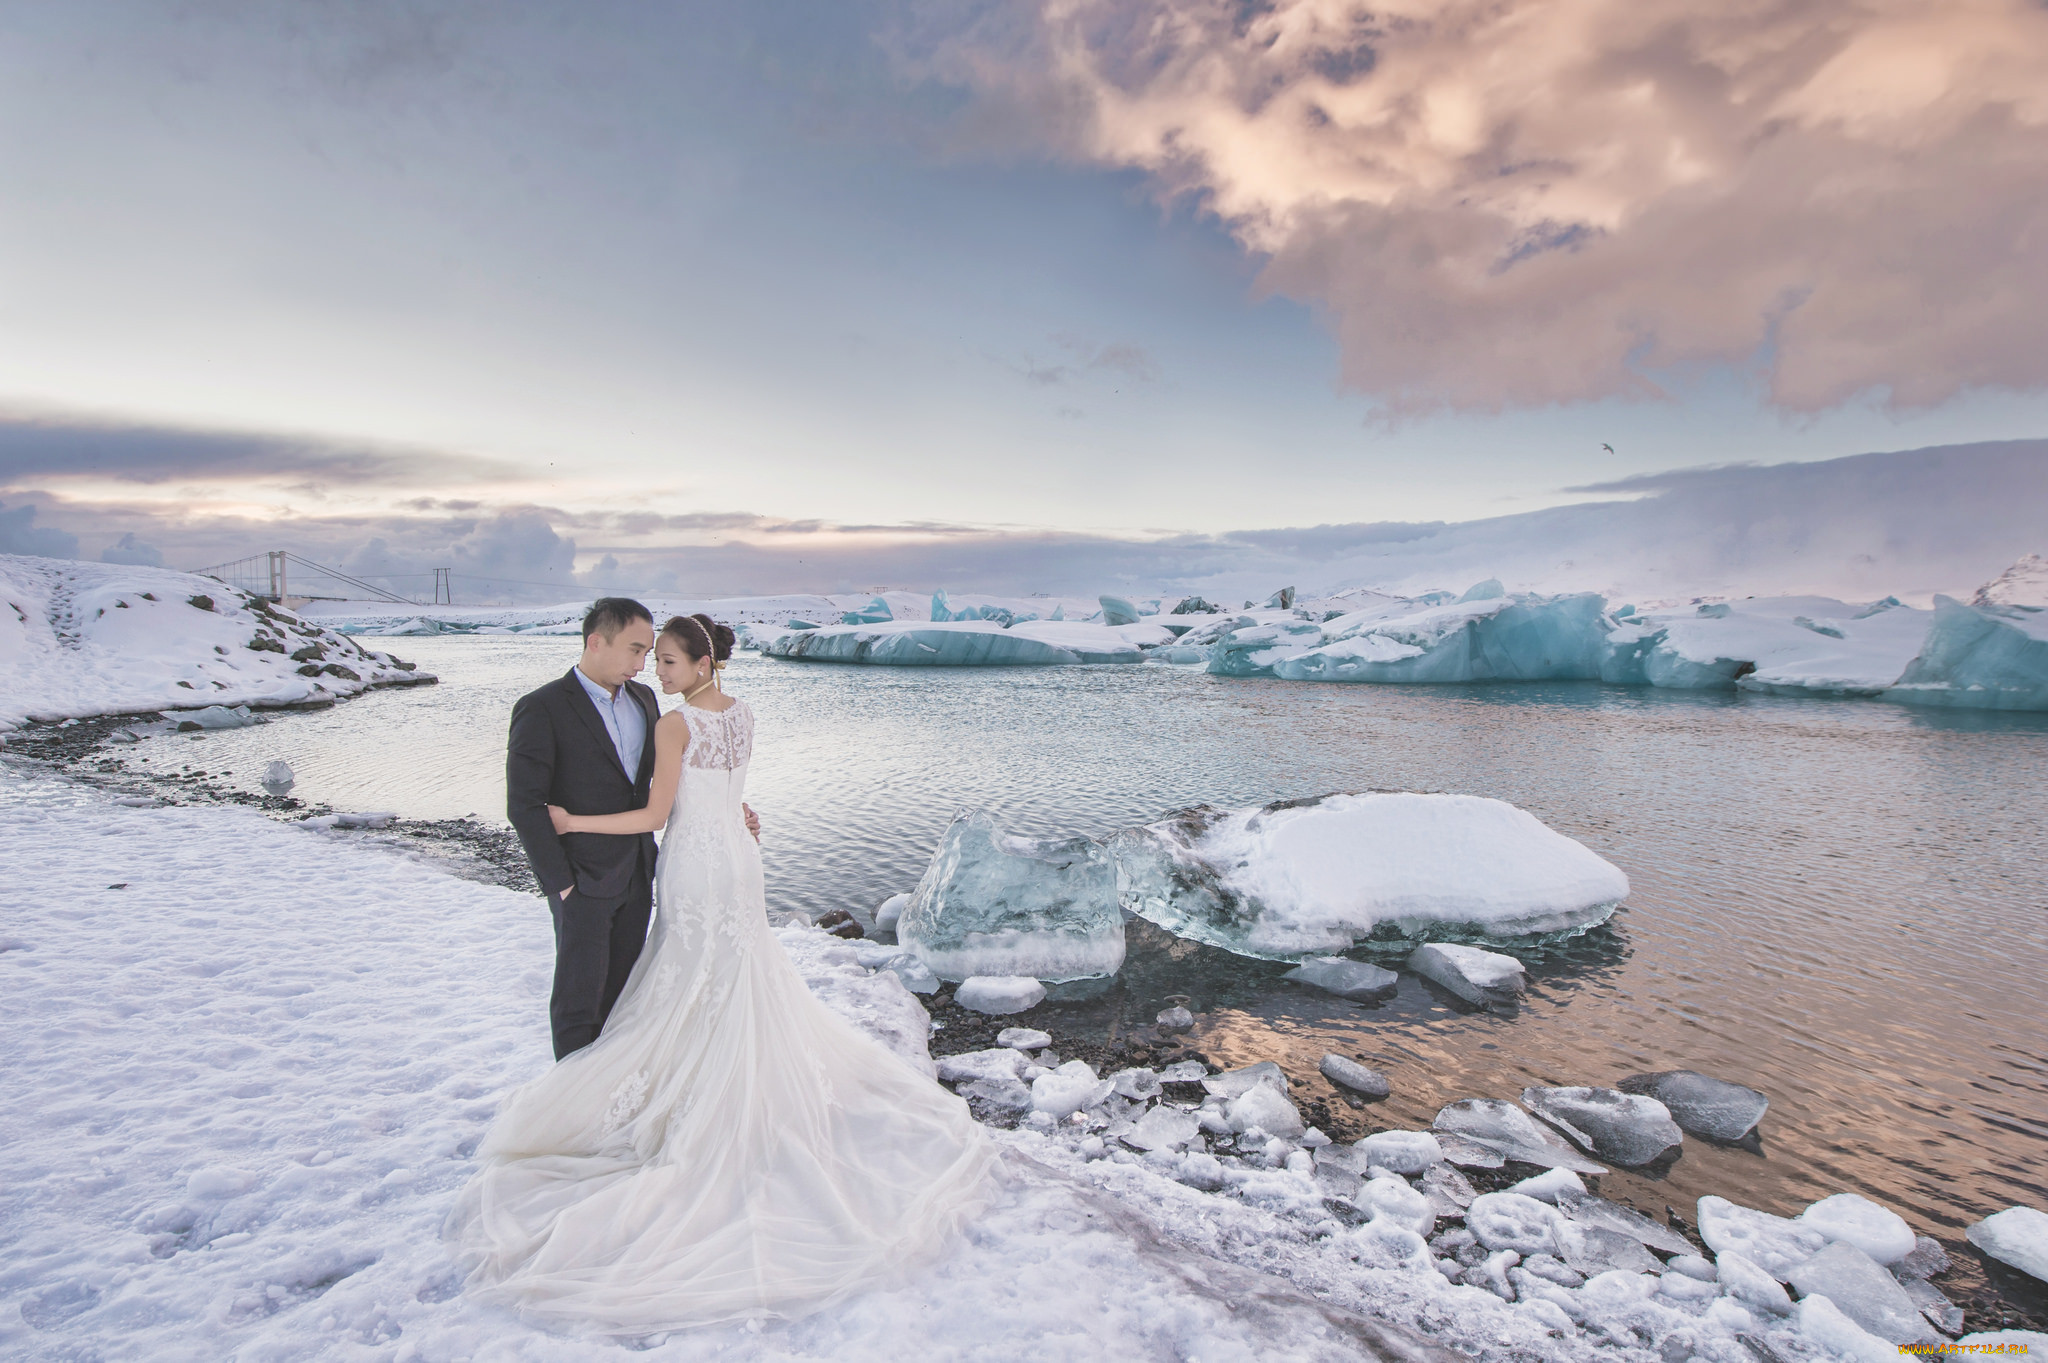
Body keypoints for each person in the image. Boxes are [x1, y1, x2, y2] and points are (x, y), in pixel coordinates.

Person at [449, 613, 993, 1333]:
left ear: (702, 663)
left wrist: (573, 823)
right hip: (735, 858)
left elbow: (653, 812)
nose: (656, 671)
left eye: (667, 660)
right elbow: (716, 786)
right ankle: (687, 1076)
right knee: (726, 974)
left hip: (695, 864)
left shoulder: (672, 722)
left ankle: (652, 1095)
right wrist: (731, 812)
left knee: (687, 974)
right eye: (650, 656)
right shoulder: (740, 714)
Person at [505, 597, 751, 1059]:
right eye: (636, 651)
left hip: (641, 873)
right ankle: (572, 1106)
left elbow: (675, 778)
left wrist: (730, 807)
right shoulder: (542, 708)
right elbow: (524, 805)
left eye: (650, 654)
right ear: (596, 642)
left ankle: (610, 1098)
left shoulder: (645, 700)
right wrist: (560, 886)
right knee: (579, 1004)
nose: (643, 665)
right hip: (581, 883)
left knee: (625, 998)